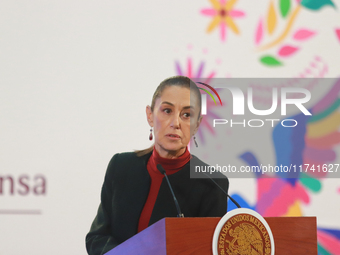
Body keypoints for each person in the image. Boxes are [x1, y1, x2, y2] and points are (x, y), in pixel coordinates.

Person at [85, 76, 229, 255]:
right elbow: (97, 238)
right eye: (167, 110)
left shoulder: (211, 183)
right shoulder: (121, 167)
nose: (175, 123)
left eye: (187, 115)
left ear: (197, 125)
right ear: (150, 115)